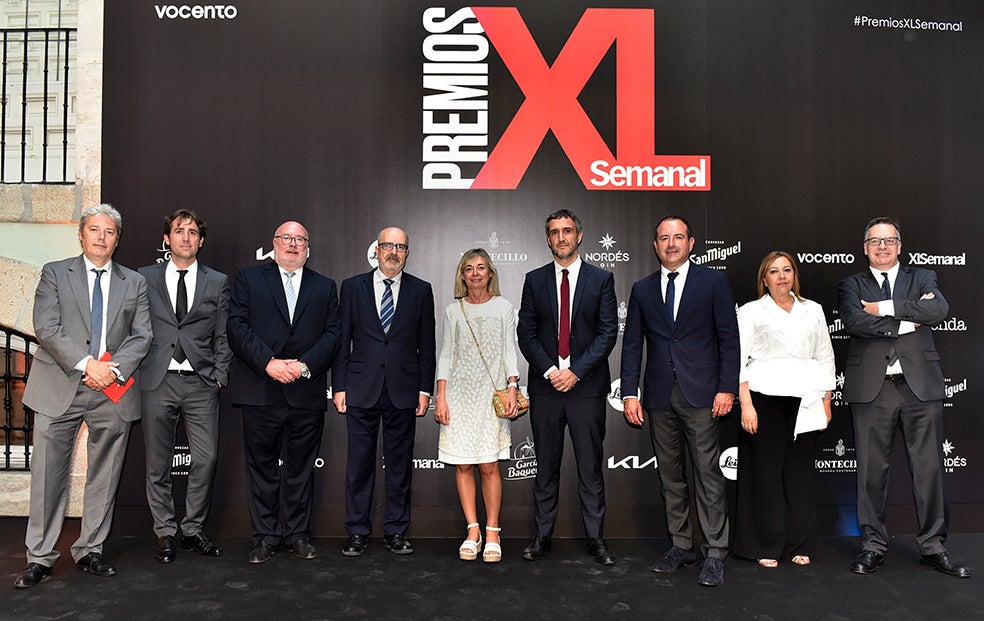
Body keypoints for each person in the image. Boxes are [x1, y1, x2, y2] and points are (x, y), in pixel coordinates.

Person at [15, 204, 152, 589]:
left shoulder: (135, 283)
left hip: (112, 390)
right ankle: (39, 557)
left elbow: (142, 335)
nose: (101, 237)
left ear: (117, 239)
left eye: (109, 231)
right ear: (81, 233)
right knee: (47, 476)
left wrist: (110, 369)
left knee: (104, 476)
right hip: (61, 383)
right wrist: (86, 364)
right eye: (94, 229)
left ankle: (91, 549)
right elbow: (47, 326)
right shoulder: (55, 272)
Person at [838, 217, 970, 578]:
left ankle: (933, 545)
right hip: (872, 388)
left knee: (928, 469)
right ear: (865, 247)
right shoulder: (851, 283)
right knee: (870, 472)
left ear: (900, 246)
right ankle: (872, 545)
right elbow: (853, 321)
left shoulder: (923, 277)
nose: (883, 246)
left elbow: (938, 310)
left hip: (920, 386)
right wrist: (910, 316)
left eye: (890, 240)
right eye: (875, 241)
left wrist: (882, 308)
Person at [620, 215, 739, 587]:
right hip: (657, 395)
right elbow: (632, 344)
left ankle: (715, 551)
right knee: (671, 476)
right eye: (664, 238)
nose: (671, 244)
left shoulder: (714, 282)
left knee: (707, 474)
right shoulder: (641, 289)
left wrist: (726, 388)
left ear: (690, 244)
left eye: (678, 237)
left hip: (702, 393)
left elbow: (728, 338)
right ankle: (681, 543)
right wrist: (628, 391)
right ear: (655, 246)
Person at [227, 221, 340, 564]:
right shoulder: (249, 278)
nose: (293, 244)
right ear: (274, 243)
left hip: (305, 391)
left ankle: (297, 535)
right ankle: (264, 536)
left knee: (300, 470)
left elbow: (333, 333)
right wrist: (270, 364)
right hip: (260, 388)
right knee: (261, 468)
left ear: (308, 246)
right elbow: (236, 326)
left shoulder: (324, 286)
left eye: (300, 239)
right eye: (286, 238)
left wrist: (303, 365)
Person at [517, 209, 618, 566]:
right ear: (548, 239)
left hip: (585, 388)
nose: (561, 237)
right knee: (545, 466)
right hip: (546, 389)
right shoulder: (534, 279)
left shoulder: (601, 279)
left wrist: (574, 371)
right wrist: (549, 370)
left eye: (567, 231)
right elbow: (525, 334)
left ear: (579, 235)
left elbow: (608, 333)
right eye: (555, 232)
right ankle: (542, 535)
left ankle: (596, 539)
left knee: (590, 467)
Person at [333, 227, 436, 557]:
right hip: (361, 388)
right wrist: (340, 386)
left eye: (401, 247)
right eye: (388, 245)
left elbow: (427, 346)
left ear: (407, 253)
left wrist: (424, 390)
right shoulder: (352, 288)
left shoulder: (421, 290)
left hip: (403, 390)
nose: (394, 251)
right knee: (359, 465)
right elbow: (342, 341)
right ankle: (357, 531)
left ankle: (396, 530)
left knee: (400, 465)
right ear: (376, 249)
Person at [138, 209, 232, 563]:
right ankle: (165, 531)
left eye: (193, 232)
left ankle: (192, 530)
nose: (186, 237)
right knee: (157, 464)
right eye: (179, 231)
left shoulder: (217, 281)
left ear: (201, 241)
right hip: (157, 381)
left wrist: (220, 374)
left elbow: (223, 334)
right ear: (167, 239)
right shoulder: (144, 278)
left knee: (205, 460)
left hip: (201, 383)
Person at [732, 251, 835, 568]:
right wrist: (746, 405)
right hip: (765, 399)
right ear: (764, 279)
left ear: (794, 275)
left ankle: (801, 543)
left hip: (806, 399)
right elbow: (738, 360)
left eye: (787, 270)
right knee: (766, 476)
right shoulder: (750, 312)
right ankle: (767, 544)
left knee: (799, 475)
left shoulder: (813, 310)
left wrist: (826, 402)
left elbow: (825, 356)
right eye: (774, 271)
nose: (781, 276)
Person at [434, 249, 520, 563]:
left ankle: (493, 530)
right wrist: (440, 396)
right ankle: (473, 530)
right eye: (469, 268)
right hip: (458, 394)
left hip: (490, 395)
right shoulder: (452, 311)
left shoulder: (504, 308)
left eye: (481, 267)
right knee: (462, 464)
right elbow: (446, 355)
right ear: (462, 274)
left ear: (490, 273)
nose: (475, 273)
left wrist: (513, 386)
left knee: (488, 465)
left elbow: (510, 349)